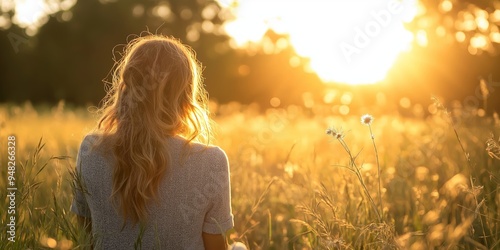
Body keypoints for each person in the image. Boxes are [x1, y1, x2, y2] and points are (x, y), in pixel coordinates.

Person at [71, 34, 234, 249]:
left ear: (127, 87)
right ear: (185, 96)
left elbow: (85, 239)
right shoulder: (212, 160)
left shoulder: (90, 149)